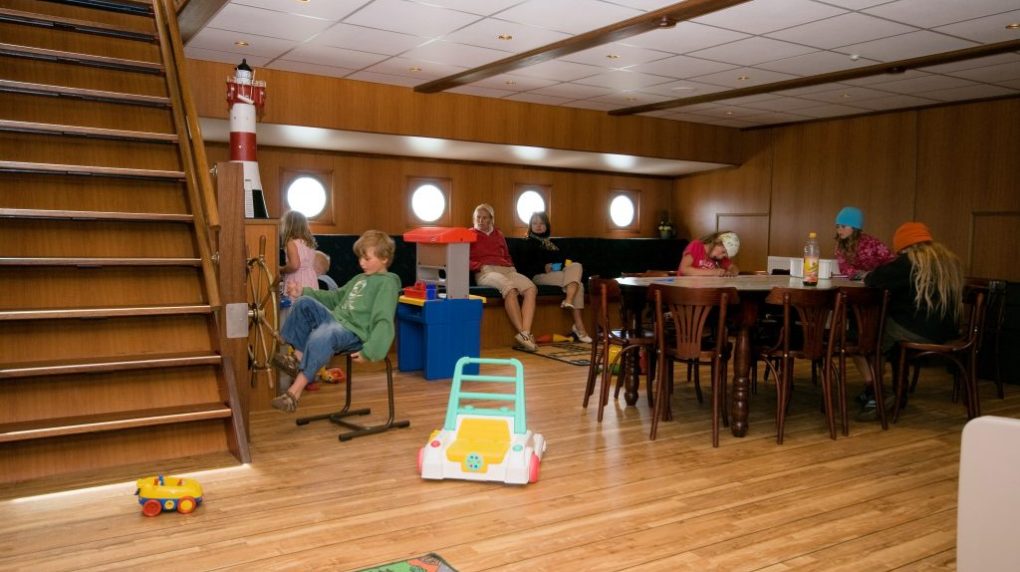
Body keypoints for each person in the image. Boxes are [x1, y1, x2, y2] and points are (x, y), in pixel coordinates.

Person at [270, 230, 401, 413]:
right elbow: (335, 297)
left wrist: (371, 352)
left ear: (384, 258)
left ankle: (293, 393)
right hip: (336, 321)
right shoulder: (359, 279)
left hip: (354, 333)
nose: (361, 263)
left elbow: (383, 320)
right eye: (360, 258)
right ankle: (296, 358)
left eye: (367, 258)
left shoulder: (387, 283)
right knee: (304, 303)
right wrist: (304, 291)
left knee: (326, 331)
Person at [855, 221, 964, 418]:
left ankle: (876, 392)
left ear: (902, 245)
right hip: (948, 331)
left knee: (864, 334)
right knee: (881, 331)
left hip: (916, 329)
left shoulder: (909, 262)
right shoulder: (948, 260)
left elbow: (874, 279)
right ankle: (890, 390)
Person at [469, 203, 539, 352]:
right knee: (510, 289)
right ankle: (524, 335)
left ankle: (525, 333)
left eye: (485, 218)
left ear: (491, 219)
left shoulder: (499, 234)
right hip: (486, 271)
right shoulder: (469, 234)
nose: (481, 221)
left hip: (507, 269)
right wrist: (479, 266)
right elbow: (463, 259)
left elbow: (507, 255)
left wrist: (511, 266)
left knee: (531, 288)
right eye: (478, 217)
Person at [517, 212, 592, 343]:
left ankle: (569, 300)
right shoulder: (527, 242)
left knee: (576, 266)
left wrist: (562, 265)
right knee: (578, 285)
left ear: (546, 225)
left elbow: (564, 261)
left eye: (541, 223)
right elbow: (524, 267)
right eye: (535, 223)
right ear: (530, 226)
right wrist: (543, 267)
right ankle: (579, 328)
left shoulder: (553, 244)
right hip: (539, 276)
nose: (538, 226)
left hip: (558, 274)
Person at [833, 206, 893, 280]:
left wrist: (877, 275)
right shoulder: (841, 246)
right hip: (858, 283)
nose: (839, 230)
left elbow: (891, 261)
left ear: (855, 228)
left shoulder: (872, 243)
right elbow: (844, 268)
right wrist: (861, 275)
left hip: (879, 282)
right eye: (837, 227)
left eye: (843, 226)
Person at [279, 211, 319, 301]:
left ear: (287, 226)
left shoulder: (291, 242)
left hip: (297, 281)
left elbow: (295, 265)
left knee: (295, 308)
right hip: (310, 279)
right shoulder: (309, 243)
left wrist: (281, 269)